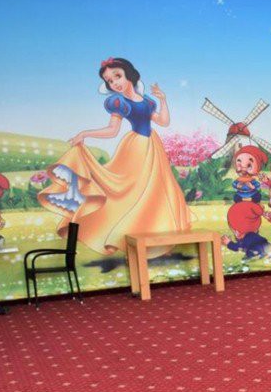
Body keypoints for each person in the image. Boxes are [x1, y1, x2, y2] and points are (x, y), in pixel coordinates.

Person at [38, 57, 190, 257]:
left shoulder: (147, 101)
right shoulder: (118, 102)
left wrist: (163, 99)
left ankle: (154, 237)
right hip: (135, 148)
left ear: (129, 74)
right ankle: (112, 235)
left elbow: (163, 121)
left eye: (117, 76)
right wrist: (85, 133)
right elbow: (112, 130)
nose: (114, 83)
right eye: (109, 81)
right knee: (128, 190)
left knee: (154, 191)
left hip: (152, 147)